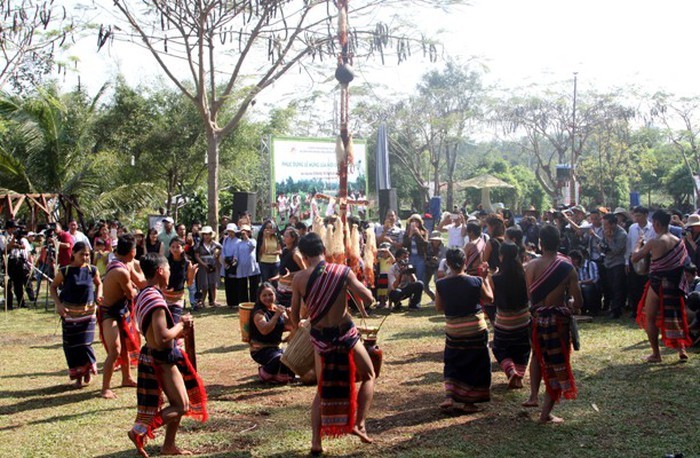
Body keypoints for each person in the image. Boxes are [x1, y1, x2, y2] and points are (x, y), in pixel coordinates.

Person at [290, 232, 375, 454]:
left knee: (321, 389)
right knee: (368, 376)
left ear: (305, 256)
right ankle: (359, 424)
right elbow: (368, 298)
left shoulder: (299, 278)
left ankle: (316, 443)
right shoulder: (343, 271)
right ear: (323, 251)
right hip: (346, 334)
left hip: (321, 339)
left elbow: (293, 317)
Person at [128, 253, 208, 458]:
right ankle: (140, 431)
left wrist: (179, 328)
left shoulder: (144, 293)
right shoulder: (154, 297)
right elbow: (163, 337)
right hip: (162, 358)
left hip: (156, 354)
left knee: (177, 401)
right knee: (182, 405)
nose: (171, 273)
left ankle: (169, 445)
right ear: (160, 271)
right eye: (169, 270)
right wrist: (181, 325)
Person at [522, 225, 582, 424]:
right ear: (559, 242)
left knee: (538, 357)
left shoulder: (530, 266)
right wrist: (569, 305)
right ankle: (545, 414)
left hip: (537, 320)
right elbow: (578, 302)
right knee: (557, 364)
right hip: (557, 323)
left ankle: (533, 396)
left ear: (540, 242)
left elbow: (529, 296)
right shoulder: (566, 267)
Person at [435, 248, 493, 412]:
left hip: (454, 330)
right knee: (476, 363)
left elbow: (439, 307)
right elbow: (489, 298)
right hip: (475, 328)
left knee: (453, 361)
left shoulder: (441, 283)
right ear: (465, 262)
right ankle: (469, 403)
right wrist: (485, 278)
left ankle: (450, 396)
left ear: (448, 263)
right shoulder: (475, 281)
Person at [632, 210, 692, 362]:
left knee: (650, 318)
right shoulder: (678, 241)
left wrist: (638, 244)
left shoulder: (654, 242)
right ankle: (681, 350)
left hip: (657, 284)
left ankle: (656, 354)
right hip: (673, 285)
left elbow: (635, 258)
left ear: (657, 224)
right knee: (675, 316)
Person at [50, 242, 101, 388]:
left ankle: (88, 370)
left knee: (85, 343)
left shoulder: (92, 270)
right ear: (73, 254)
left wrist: (99, 296)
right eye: (82, 254)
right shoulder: (65, 271)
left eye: (87, 255)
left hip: (88, 314)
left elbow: (99, 284)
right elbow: (53, 287)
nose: (85, 257)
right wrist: (58, 305)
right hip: (70, 314)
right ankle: (79, 375)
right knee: (72, 346)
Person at [99, 234, 144, 399]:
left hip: (120, 310)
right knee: (115, 350)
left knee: (125, 345)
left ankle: (127, 378)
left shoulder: (125, 264)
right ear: (132, 251)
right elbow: (131, 294)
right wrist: (136, 288)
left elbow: (137, 282)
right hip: (109, 312)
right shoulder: (120, 270)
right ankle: (105, 388)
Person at [489, 242, 531, 389]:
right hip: (523, 319)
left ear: (501, 256)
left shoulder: (495, 277)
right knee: (523, 349)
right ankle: (518, 375)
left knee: (499, 348)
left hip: (503, 320)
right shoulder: (524, 274)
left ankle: (511, 371)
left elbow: (491, 298)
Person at [249, 282, 297, 383]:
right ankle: (265, 373)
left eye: (270, 294)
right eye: (264, 295)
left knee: (291, 358)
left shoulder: (278, 308)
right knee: (279, 359)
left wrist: (290, 315)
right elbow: (264, 330)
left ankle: (278, 376)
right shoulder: (259, 313)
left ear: (275, 295)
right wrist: (276, 316)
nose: (268, 298)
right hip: (260, 350)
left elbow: (291, 327)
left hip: (275, 348)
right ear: (259, 297)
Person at [627, 206, 655, 318]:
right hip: (634, 259)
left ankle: (645, 309)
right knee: (634, 286)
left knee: (646, 285)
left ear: (646, 215)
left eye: (639, 215)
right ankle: (635, 310)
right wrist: (626, 261)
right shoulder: (632, 228)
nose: (636, 218)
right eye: (635, 215)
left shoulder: (653, 228)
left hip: (648, 260)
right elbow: (629, 245)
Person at [164, 237, 196, 323]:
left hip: (178, 299)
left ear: (183, 248)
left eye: (177, 247)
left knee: (174, 322)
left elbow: (189, 284)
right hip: (164, 298)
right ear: (169, 248)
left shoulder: (187, 263)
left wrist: (192, 273)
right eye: (173, 247)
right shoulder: (164, 262)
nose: (175, 249)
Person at [1, 220, 32, 309]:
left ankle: (21, 302)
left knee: (19, 283)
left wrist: (20, 243)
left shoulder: (17, 237)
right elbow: (5, 248)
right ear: (8, 228)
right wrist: (14, 238)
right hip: (8, 262)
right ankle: (9, 304)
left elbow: (22, 247)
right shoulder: (2, 237)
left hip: (18, 261)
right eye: (13, 228)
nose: (15, 230)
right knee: (8, 284)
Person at [602, 213, 628, 318]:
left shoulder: (622, 234)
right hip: (608, 262)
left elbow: (616, 250)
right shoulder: (605, 232)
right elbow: (603, 244)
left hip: (618, 263)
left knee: (617, 287)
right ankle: (611, 307)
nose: (604, 227)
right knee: (610, 287)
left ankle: (617, 310)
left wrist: (610, 239)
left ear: (613, 224)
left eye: (606, 224)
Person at [273, 227, 305, 307]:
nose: (284, 238)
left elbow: (305, 271)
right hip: (281, 287)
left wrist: (290, 274)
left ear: (293, 238)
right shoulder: (284, 250)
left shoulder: (295, 254)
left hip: (291, 290)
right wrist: (278, 276)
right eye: (284, 235)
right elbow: (282, 268)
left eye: (287, 236)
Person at [193, 226, 222, 308]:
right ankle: (202, 301)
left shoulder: (214, 243)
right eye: (205, 234)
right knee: (204, 284)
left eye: (208, 234)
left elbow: (221, 248)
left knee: (213, 283)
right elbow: (197, 256)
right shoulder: (199, 244)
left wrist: (217, 254)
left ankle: (214, 300)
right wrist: (203, 264)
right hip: (203, 265)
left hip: (212, 264)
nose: (207, 236)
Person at [234, 224, 261, 303]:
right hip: (242, 266)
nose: (243, 234)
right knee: (242, 286)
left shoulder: (252, 241)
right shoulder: (239, 243)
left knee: (253, 285)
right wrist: (235, 260)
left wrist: (247, 238)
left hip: (252, 266)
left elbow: (252, 247)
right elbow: (236, 253)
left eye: (246, 232)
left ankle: (254, 301)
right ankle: (243, 302)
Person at [569, 250, 601, 316]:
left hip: (592, 286)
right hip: (581, 285)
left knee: (587, 289)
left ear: (577, 259)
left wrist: (580, 282)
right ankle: (580, 309)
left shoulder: (591, 264)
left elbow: (593, 279)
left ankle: (593, 310)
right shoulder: (576, 268)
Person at [402, 214, 429, 285]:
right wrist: (410, 235)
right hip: (410, 257)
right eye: (412, 221)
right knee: (410, 277)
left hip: (420, 257)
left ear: (419, 223)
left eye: (416, 222)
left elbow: (425, 243)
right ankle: (411, 294)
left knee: (419, 277)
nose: (414, 223)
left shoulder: (424, 232)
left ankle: (418, 292)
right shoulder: (407, 232)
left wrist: (418, 234)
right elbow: (404, 244)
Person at [221, 223, 240, 308]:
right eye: (229, 231)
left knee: (235, 283)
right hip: (226, 262)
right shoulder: (225, 240)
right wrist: (225, 259)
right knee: (228, 283)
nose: (230, 233)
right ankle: (230, 302)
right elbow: (223, 250)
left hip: (234, 263)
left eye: (232, 231)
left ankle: (235, 302)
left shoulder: (238, 241)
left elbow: (237, 252)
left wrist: (233, 261)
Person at [257, 220, 282, 284]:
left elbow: (280, 251)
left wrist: (272, 253)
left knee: (275, 282)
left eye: (271, 228)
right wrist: (264, 238)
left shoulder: (277, 237)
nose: (269, 230)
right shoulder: (262, 237)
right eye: (267, 228)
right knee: (266, 282)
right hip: (265, 262)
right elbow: (262, 251)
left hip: (275, 262)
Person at [375, 242, 395, 308]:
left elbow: (393, 259)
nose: (384, 253)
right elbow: (374, 260)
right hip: (382, 276)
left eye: (385, 252)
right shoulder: (380, 259)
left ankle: (390, 303)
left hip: (389, 276)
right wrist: (378, 251)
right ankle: (382, 303)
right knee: (382, 290)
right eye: (382, 252)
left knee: (389, 290)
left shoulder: (390, 259)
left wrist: (388, 251)